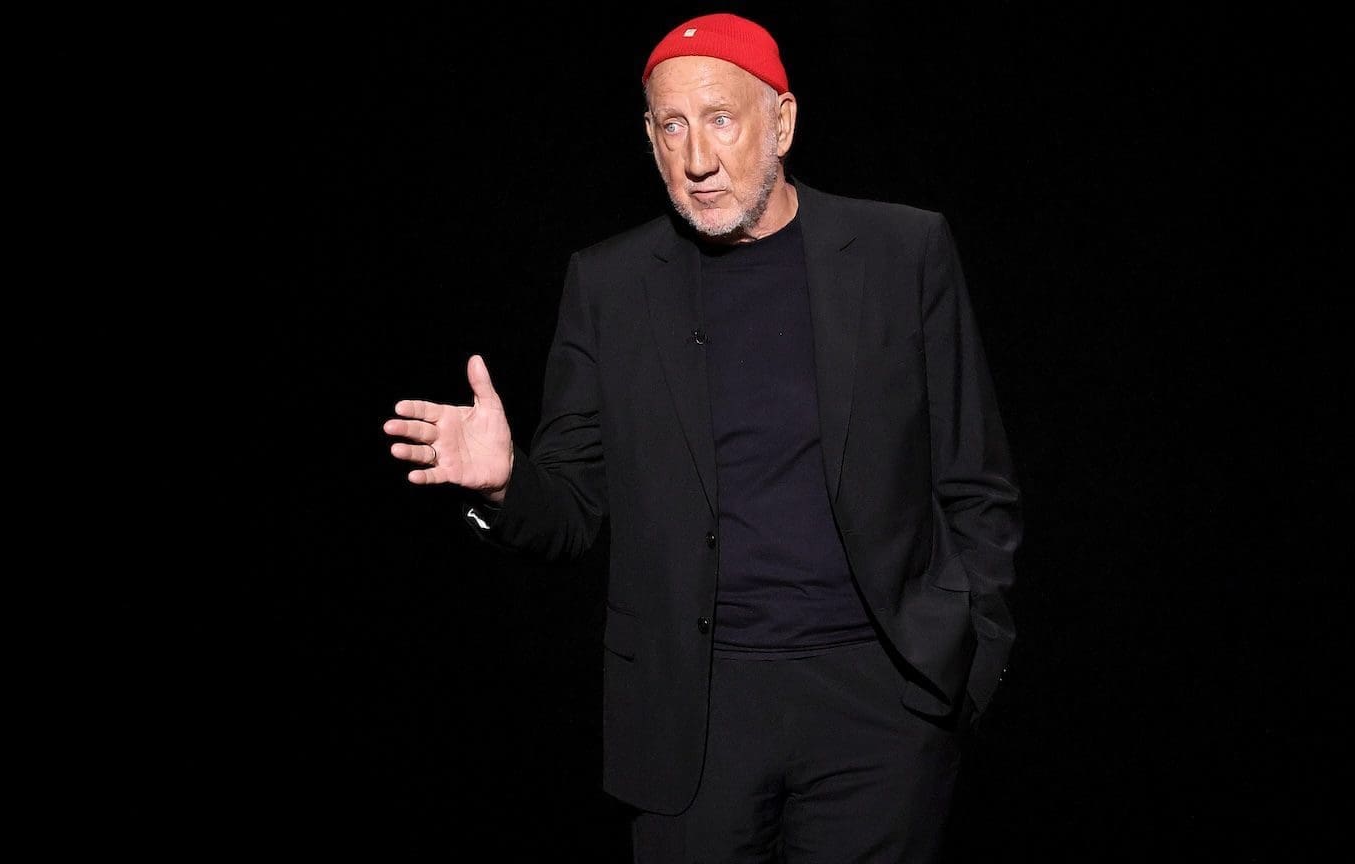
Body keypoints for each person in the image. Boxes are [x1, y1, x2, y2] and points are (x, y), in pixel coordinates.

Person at [383, 12, 1020, 862]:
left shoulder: (902, 251)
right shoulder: (609, 285)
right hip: (692, 717)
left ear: (782, 122)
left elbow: (975, 479)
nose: (696, 159)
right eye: (672, 126)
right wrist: (506, 483)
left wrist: (969, 664)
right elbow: (572, 509)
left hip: (881, 709)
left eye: (721, 119)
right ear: (649, 136)